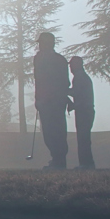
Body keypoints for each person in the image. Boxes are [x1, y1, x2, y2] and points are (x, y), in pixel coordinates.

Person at [33, 32, 70, 170]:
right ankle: (56, 159)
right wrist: (38, 98)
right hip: (44, 101)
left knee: (58, 131)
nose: (40, 45)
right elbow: (38, 80)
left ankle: (59, 161)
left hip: (56, 101)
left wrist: (58, 97)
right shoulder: (38, 59)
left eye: (42, 43)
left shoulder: (59, 60)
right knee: (48, 132)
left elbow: (64, 82)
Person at [67, 56, 96, 169]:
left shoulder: (79, 77)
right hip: (86, 110)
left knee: (83, 138)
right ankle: (86, 163)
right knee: (84, 138)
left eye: (71, 65)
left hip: (84, 111)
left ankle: (86, 164)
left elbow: (76, 92)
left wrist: (63, 90)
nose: (70, 68)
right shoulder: (83, 77)